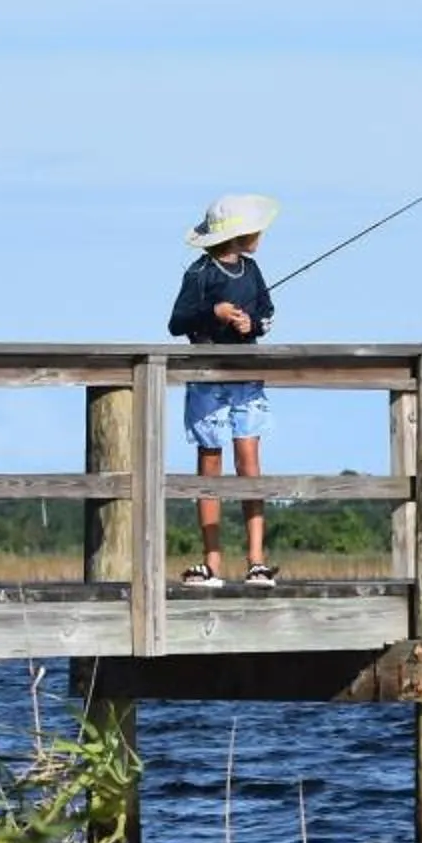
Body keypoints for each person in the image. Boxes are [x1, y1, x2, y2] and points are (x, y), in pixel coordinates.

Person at [168, 192, 280, 589]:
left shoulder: (252, 271)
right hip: (206, 376)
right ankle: (211, 562)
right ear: (238, 234)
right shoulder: (199, 273)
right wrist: (212, 313)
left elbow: (267, 313)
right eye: (254, 230)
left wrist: (252, 323)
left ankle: (256, 560)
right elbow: (177, 322)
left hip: (245, 376)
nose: (260, 236)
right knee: (210, 462)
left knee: (249, 461)